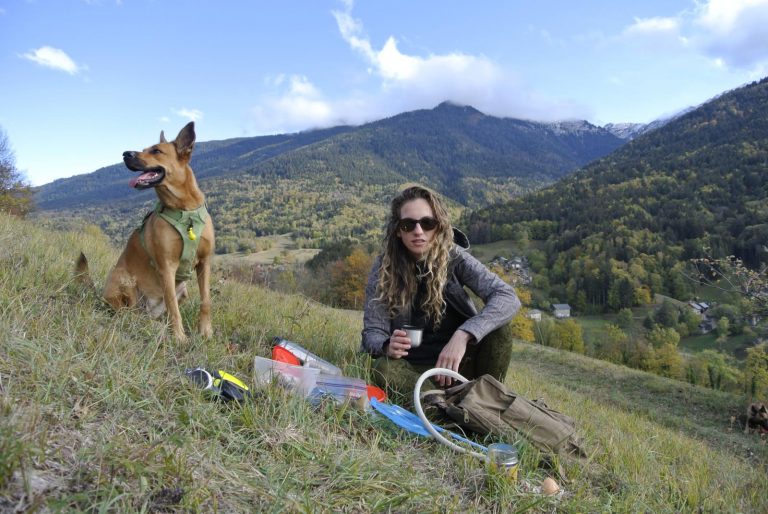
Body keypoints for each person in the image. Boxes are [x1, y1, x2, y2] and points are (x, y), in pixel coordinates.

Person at [361, 185, 521, 402]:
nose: (418, 231)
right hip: (413, 369)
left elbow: (507, 297)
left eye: (427, 223)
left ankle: (486, 400)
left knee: (499, 330)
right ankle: (439, 410)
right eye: (409, 224)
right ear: (398, 230)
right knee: (383, 368)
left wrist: (464, 334)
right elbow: (372, 331)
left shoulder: (454, 258)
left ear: (438, 227)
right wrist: (387, 346)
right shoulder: (384, 268)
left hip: (460, 364)